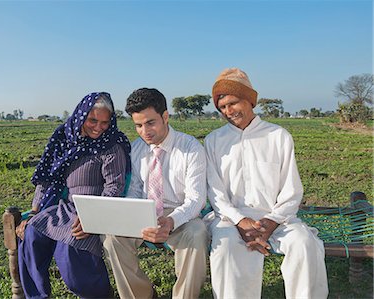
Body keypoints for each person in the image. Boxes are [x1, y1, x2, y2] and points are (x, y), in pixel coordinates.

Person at [205, 68, 329, 298]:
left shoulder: (278, 136)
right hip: (230, 219)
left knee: (304, 244)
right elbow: (215, 193)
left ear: (250, 100)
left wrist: (270, 222)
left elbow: (292, 191)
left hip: (278, 218)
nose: (228, 111)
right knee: (225, 249)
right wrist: (241, 221)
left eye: (233, 103)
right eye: (222, 107)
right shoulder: (214, 140)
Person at [15, 92, 131, 299]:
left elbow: (114, 187)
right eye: (93, 120)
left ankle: (100, 295)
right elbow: (47, 179)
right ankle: (37, 296)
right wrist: (34, 211)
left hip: (93, 209)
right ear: (80, 115)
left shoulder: (112, 145)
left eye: (105, 122)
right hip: (64, 208)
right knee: (31, 235)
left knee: (70, 249)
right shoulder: (63, 139)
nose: (99, 127)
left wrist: (92, 218)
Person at [102, 88, 209, 299]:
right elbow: (134, 190)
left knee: (197, 233)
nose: (144, 131)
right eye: (138, 125)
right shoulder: (136, 149)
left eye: (150, 123)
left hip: (180, 214)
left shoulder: (191, 148)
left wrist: (170, 221)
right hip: (145, 212)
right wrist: (136, 213)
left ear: (166, 117)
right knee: (112, 239)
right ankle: (142, 295)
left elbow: (196, 199)